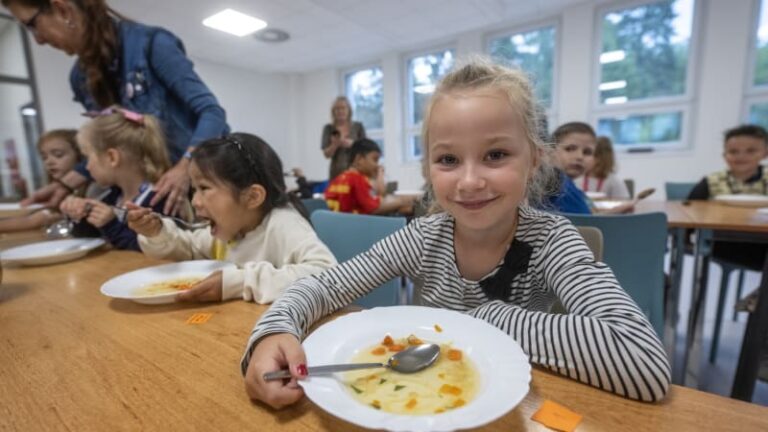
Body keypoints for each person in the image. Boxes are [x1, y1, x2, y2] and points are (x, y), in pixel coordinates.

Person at [242, 60, 671, 408]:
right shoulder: (423, 237)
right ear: (429, 168)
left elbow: (645, 362)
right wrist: (275, 330)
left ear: (535, 161)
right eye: (448, 159)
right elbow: (326, 285)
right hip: (419, 403)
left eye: (496, 155)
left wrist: (488, 319)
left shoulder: (552, 240)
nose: (469, 181)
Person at [5, 0, 229, 215]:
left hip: (201, 184)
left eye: (31, 25)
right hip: (156, 196)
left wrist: (185, 168)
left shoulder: (151, 43)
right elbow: (108, 142)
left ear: (62, 9)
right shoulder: (80, 79)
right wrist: (64, 185)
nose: (38, 40)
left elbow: (212, 112)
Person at [126, 133, 337, 304]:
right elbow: (189, 248)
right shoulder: (229, 229)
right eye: (194, 190)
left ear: (252, 197)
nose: (195, 201)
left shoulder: (283, 224)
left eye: (205, 188)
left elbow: (329, 277)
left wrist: (241, 281)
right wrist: (156, 233)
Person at [58, 107, 171, 250]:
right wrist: (79, 215)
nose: (87, 167)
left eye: (88, 157)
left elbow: (154, 248)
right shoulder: (112, 196)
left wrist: (110, 225)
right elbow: (89, 238)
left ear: (112, 157)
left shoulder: (159, 199)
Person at [688, 124, 768, 272]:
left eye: (751, 151)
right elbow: (689, 210)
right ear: (724, 155)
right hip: (723, 243)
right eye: (733, 151)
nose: (741, 156)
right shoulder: (711, 181)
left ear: (764, 153)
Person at [0, 129, 82, 232]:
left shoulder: (90, 190)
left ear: (81, 156)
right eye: (44, 157)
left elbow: (32, 221)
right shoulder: (55, 190)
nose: (49, 162)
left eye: (58, 155)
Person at [552, 122, 632, 214]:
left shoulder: (572, 188)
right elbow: (588, 221)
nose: (579, 156)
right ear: (549, 151)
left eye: (587, 152)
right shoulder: (561, 188)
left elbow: (590, 215)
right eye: (570, 149)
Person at [324, 139, 412, 215]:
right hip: (351, 228)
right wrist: (402, 201)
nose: (377, 165)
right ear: (359, 159)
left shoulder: (340, 178)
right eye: (375, 159)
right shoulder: (357, 179)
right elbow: (374, 209)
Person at [321, 96, 366, 180]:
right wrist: (334, 145)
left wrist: (353, 144)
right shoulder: (328, 128)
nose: (340, 111)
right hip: (336, 173)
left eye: (343, 108)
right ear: (333, 112)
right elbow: (326, 154)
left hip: (356, 172)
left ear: (349, 110)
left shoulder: (358, 127)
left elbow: (366, 150)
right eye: (337, 109)